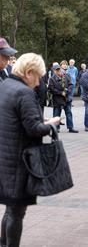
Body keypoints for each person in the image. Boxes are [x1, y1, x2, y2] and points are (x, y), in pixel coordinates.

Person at [0, 53, 60, 247]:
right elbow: (34, 129)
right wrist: (50, 124)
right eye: (38, 77)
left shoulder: (6, 86)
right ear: (28, 72)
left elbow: (15, 119)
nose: (38, 82)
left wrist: (38, 121)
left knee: (10, 208)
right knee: (17, 211)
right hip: (20, 160)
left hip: (6, 155)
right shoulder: (24, 92)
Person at [48, 63, 79, 133]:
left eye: (59, 69)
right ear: (54, 71)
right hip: (58, 99)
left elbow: (71, 85)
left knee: (69, 113)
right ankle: (56, 128)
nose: (58, 71)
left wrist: (67, 91)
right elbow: (51, 89)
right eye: (56, 70)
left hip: (67, 98)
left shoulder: (67, 76)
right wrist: (60, 92)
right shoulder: (52, 79)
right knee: (56, 114)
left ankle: (71, 127)